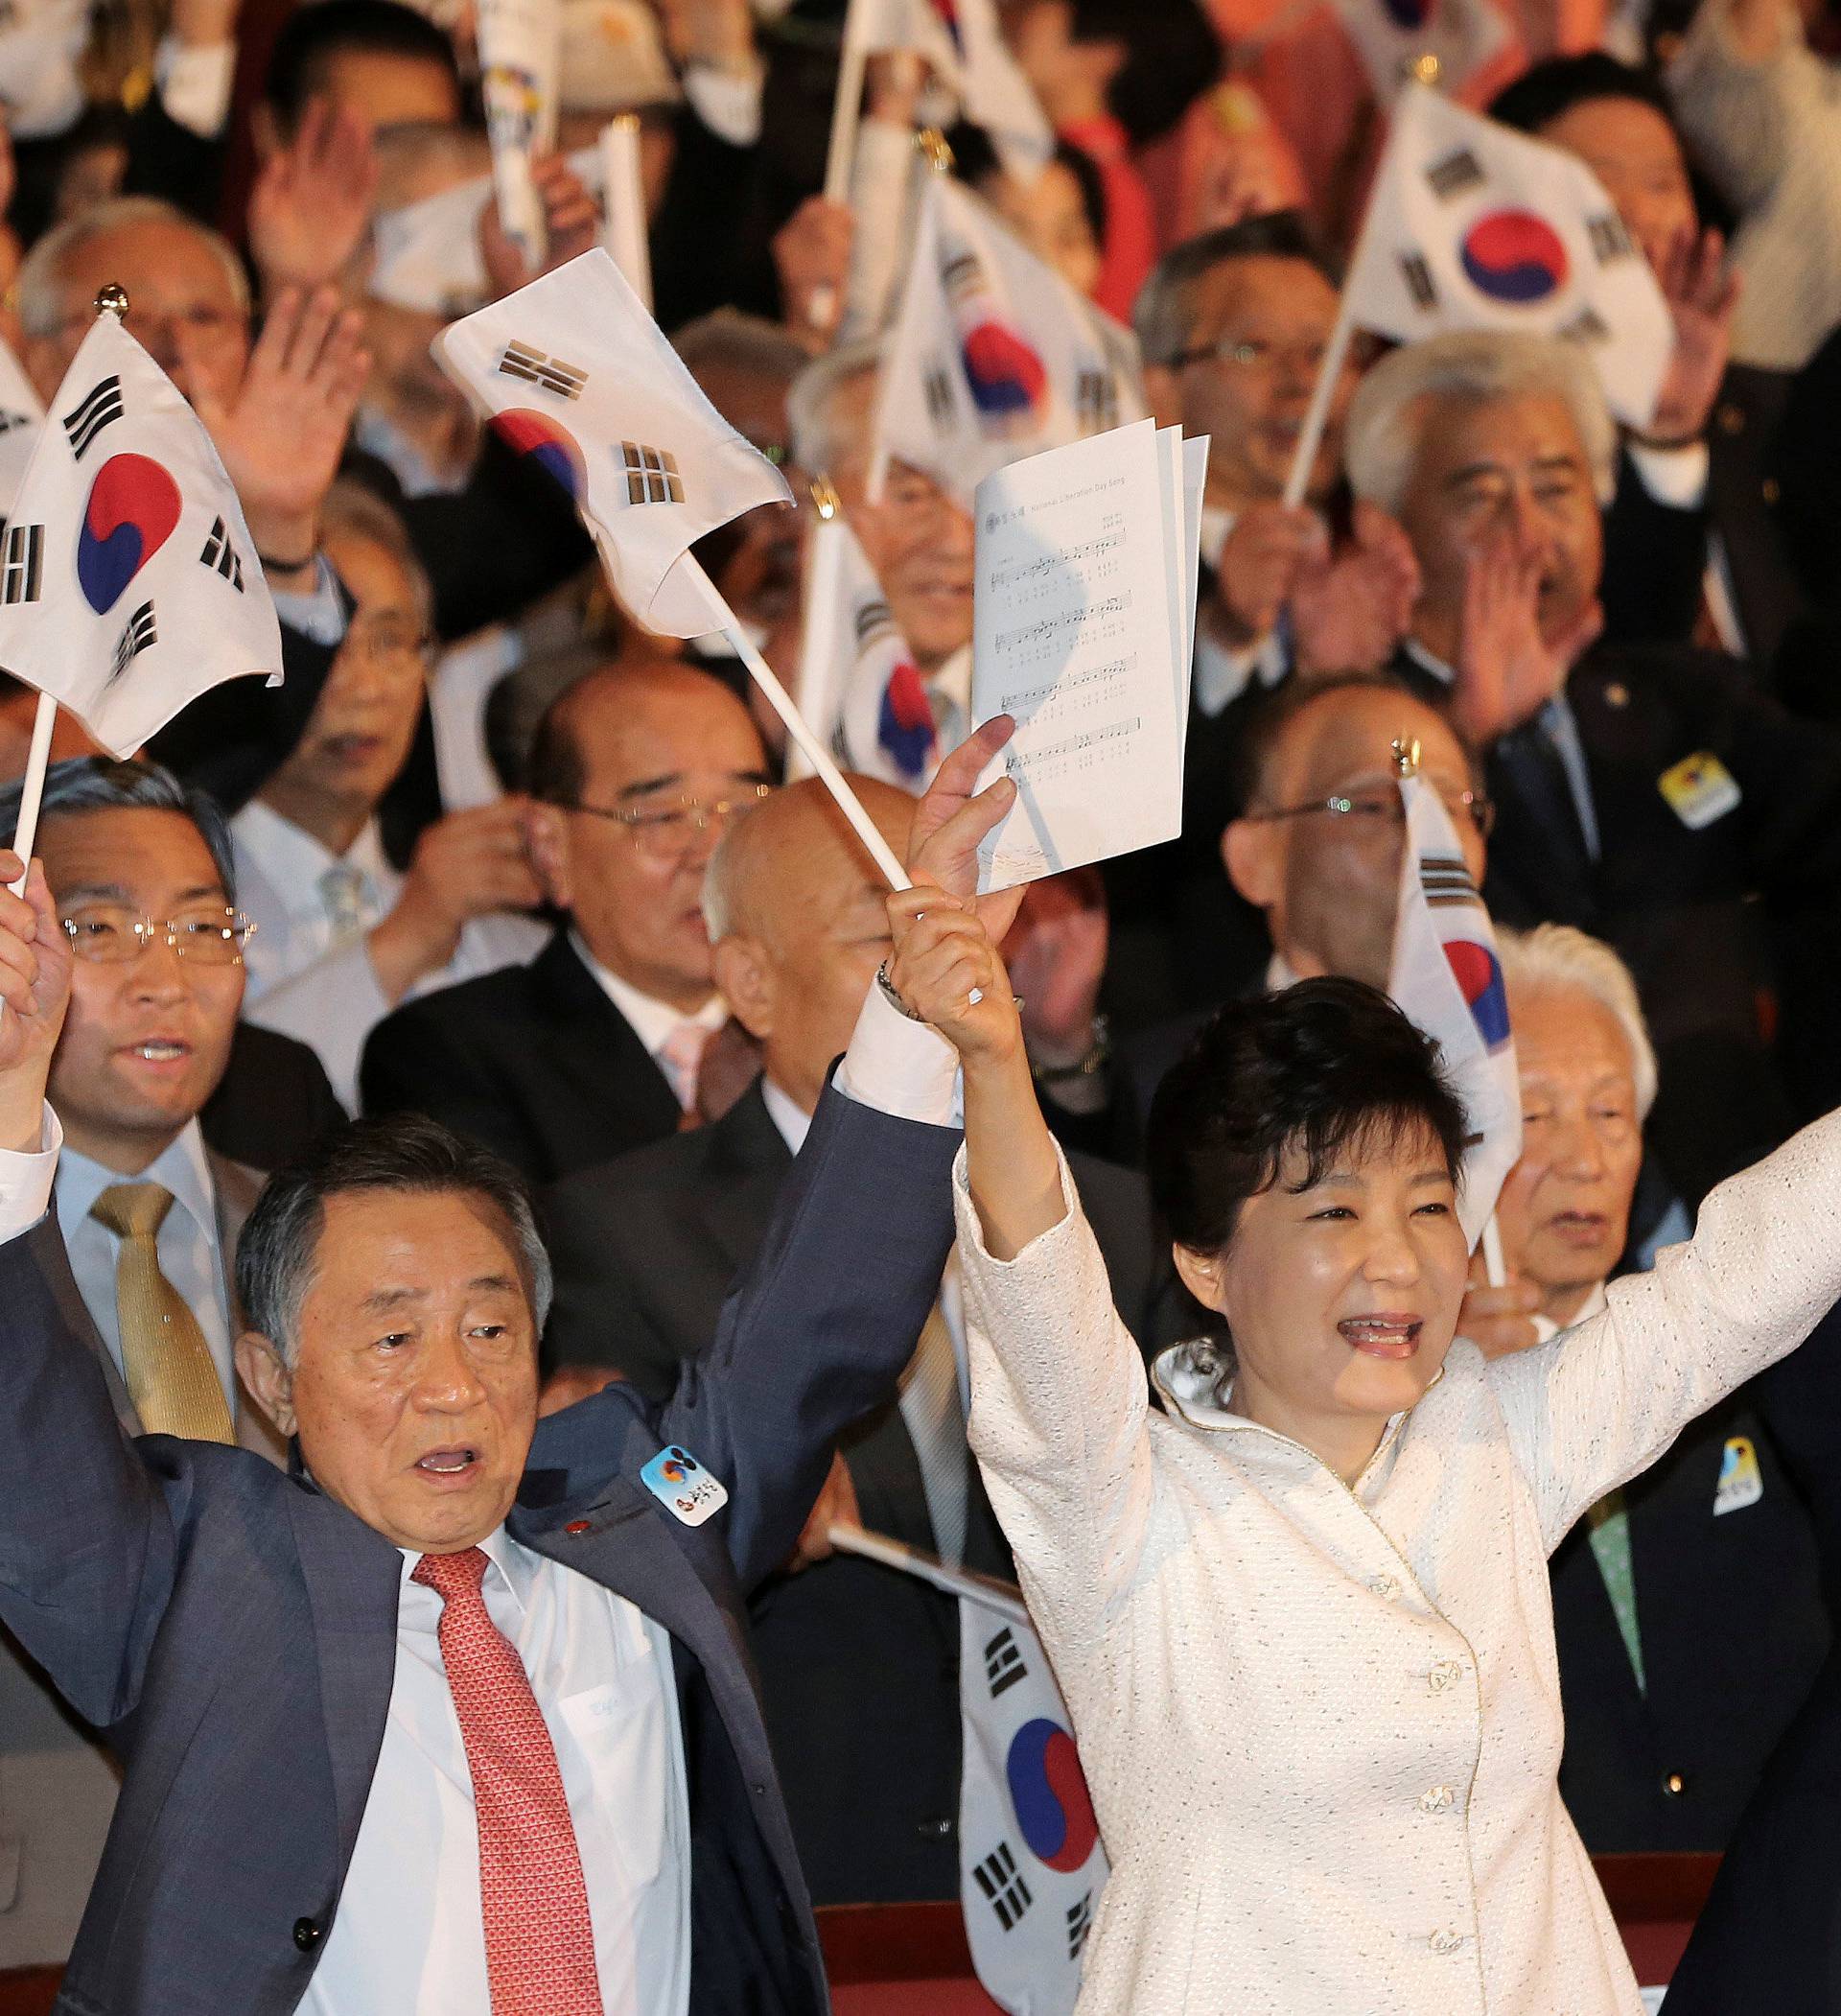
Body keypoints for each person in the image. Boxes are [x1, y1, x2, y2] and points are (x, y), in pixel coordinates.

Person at [0, 725, 1015, 2015]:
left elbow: (815, 1325)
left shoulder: (648, 1527)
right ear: (268, 1377)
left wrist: (916, 1007)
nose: (450, 1383)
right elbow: (29, 1448)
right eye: (388, 1334)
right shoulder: (209, 1580)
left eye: (490, 1328)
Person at [878, 876, 1841, 2012]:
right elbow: (1040, 1295)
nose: (1398, 1259)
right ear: (1203, 1260)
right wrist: (994, 1067)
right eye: (1335, 1212)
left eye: (1429, 1205)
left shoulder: (1496, 1433)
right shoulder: (1122, 1496)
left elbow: (1733, 1284)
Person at [540, 773, 1183, 1904]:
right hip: (814, 1858)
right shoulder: (619, 1228)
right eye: (890, 941)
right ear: (748, 980)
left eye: (969, 930)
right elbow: (627, 1495)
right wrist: (739, 1497)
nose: (946, 977)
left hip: (1108, 1861)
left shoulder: (1115, 1219)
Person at [1345, 326, 1841, 1204]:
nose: (1530, 533)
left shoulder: (1675, 696)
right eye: (1482, 497)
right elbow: (1368, 871)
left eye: (1556, 488)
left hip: (1739, 1206)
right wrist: (1469, 734)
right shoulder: (1370, 729)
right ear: (1388, 531)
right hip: (1497, 1219)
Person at [0, 756, 343, 1973]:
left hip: (342, 1916)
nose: (165, 975)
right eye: (97, 926)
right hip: (46, 1915)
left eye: (205, 926)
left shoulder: (338, 1254)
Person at [1465, 924, 1828, 1852]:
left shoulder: (1749, 1356)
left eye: (1612, 1113)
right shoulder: (1398, 1411)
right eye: (1534, 1116)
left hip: (1762, 1904)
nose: (1584, 1158)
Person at [1121, 216, 1420, 1020]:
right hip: (1194, 1025)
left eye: (1326, 354)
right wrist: (1223, 639)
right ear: (1160, 384)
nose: (1302, 384)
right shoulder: (1104, 575)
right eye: (1254, 350)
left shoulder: (1385, 562)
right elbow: (1130, 855)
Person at [361, 659, 771, 1182]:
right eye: (665, 816)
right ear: (553, 848)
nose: (715, 853)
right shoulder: (446, 1054)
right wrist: (720, 1132)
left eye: (744, 809)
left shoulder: (827, 1021)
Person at [232, 481, 548, 1109]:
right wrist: (405, 940)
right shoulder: (190, 897)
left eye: (389, 641)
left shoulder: (467, 905)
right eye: (325, 647)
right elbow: (222, 1115)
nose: (364, 687)